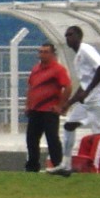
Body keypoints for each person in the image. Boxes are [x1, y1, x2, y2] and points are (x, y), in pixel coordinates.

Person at [48, 26, 100, 176]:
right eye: (66, 35)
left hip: (99, 100)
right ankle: (65, 165)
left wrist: (88, 91)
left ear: (79, 36)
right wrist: (67, 105)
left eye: (70, 35)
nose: (67, 38)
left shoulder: (85, 49)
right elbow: (83, 86)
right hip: (88, 102)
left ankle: (97, 171)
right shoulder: (77, 57)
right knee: (69, 125)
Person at [24, 43, 71, 173]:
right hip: (35, 110)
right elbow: (31, 87)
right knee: (31, 139)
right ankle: (32, 166)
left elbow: (67, 87)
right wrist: (28, 105)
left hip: (49, 111)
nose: (42, 54)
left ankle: (58, 165)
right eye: (40, 52)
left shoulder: (58, 69)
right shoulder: (36, 69)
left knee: (52, 138)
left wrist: (60, 106)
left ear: (52, 54)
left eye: (45, 52)